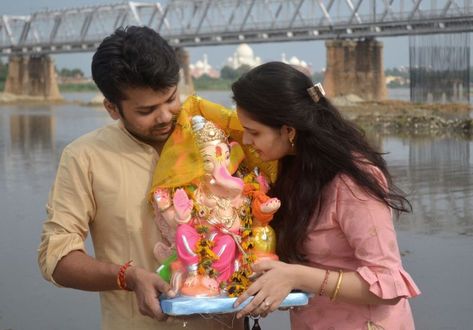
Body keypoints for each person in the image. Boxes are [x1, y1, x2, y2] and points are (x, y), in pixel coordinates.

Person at [37, 26, 243, 330]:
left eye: (171, 98)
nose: (165, 116)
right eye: (147, 110)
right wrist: (127, 277)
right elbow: (56, 258)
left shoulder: (214, 137)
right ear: (111, 108)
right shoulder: (85, 157)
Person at [232, 62, 421, 329]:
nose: (247, 141)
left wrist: (295, 276)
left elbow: (388, 282)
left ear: (289, 130)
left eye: (254, 132)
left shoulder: (349, 181)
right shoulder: (291, 170)